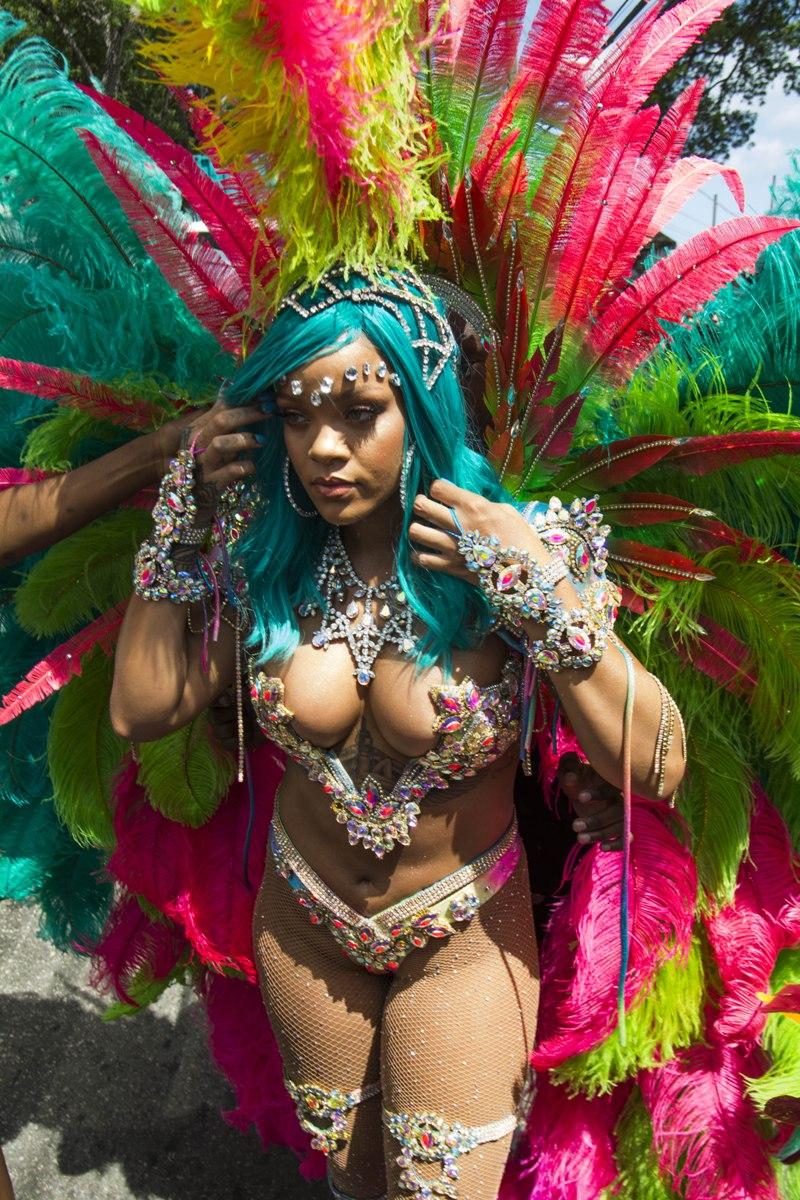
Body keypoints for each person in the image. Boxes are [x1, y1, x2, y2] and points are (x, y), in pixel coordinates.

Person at [109, 272, 685, 1200]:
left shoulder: (515, 551)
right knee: (354, 1180)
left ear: (422, 408)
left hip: (461, 932)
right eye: (296, 417)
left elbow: (655, 766)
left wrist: (542, 592)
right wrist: (182, 514)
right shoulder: (263, 558)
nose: (323, 447)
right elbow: (141, 707)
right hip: (305, 924)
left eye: (359, 412)